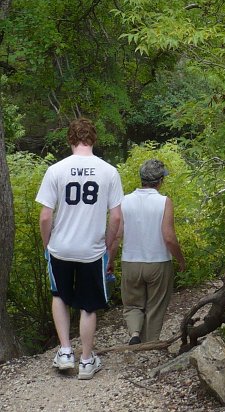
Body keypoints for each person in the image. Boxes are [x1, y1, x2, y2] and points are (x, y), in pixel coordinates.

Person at [36, 118, 124, 380]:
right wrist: (108, 246)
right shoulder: (109, 171)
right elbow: (117, 218)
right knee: (88, 305)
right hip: (91, 250)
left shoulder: (56, 170)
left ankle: (65, 352)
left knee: (60, 295)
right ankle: (86, 360)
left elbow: (44, 216)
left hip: (60, 247)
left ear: (70, 140)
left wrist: (47, 244)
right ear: (93, 139)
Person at [117, 158, 186, 345]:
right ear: (160, 181)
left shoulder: (124, 201)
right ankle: (150, 344)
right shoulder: (164, 202)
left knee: (132, 304)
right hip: (158, 262)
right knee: (155, 306)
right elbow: (169, 237)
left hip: (130, 261)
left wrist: (108, 260)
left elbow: (117, 234)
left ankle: (134, 334)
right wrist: (180, 259)